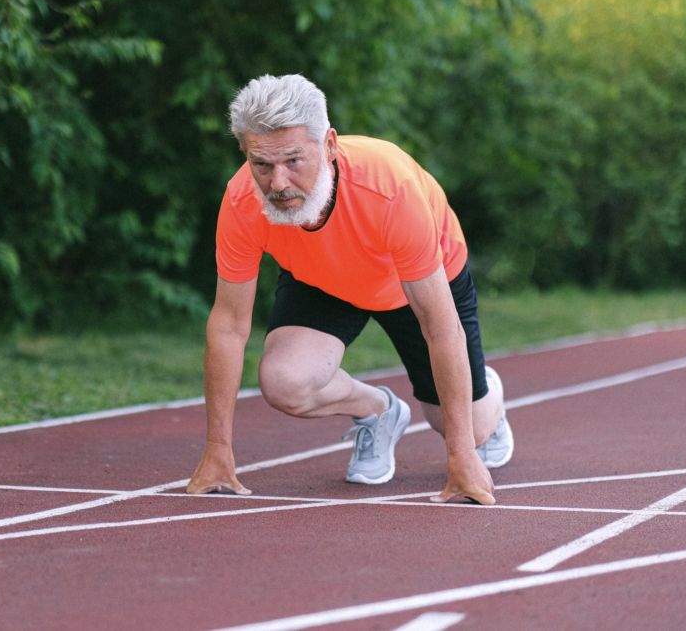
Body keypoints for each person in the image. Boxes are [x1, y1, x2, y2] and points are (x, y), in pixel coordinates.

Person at [186, 74, 513, 505]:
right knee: (284, 382)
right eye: (261, 165)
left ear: (330, 146)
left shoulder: (391, 188)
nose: (278, 183)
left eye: (293, 161)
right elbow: (228, 326)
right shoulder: (242, 201)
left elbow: (438, 325)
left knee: (466, 427)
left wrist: (462, 454)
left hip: (412, 280)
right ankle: (377, 410)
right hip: (323, 277)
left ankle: (483, 390)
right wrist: (218, 450)